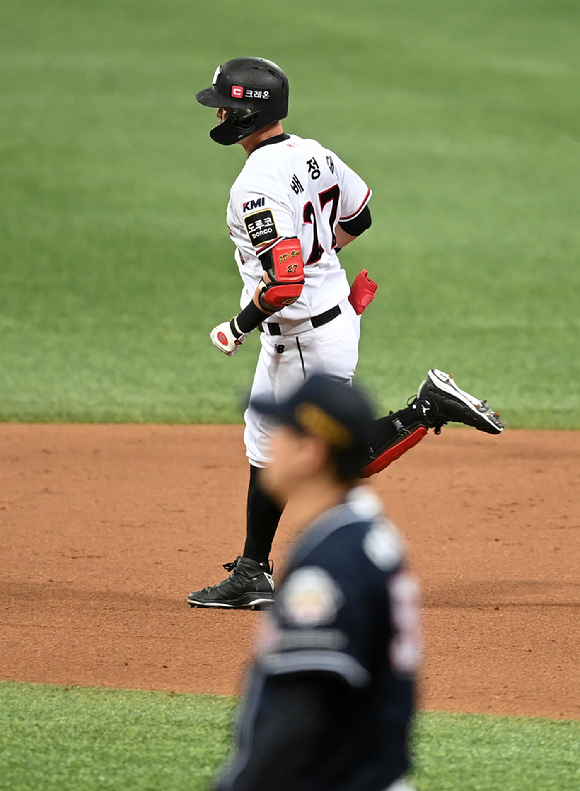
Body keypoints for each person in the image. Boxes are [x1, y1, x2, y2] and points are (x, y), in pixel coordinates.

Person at [187, 56, 503, 609]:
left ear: (246, 113)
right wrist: (320, 268)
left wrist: (236, 326)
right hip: (321, 321)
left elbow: (284, 281)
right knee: (264, 448)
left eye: (225, 106)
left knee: (334, 460)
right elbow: (359, 217)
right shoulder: (313, 153)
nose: (216, 115)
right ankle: (251, 572)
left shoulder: (254, 186)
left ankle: (425, 409)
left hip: (307, 338)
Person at [166, 374, 423, 791]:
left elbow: (299, 712)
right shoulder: (360, 531)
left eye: (280, 431)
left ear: (311, 452)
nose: (269, 442)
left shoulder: (329, 566)